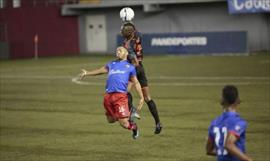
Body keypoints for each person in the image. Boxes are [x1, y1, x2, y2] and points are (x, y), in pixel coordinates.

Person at [79, 46, 144, 139]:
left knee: (124, 124)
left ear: (126, 53)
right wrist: (87, 73)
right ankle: (124, 115)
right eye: (117, 50)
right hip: (108, 96)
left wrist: (141, 97)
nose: (118, 51)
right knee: (110, 120)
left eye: (120, 50)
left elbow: (136, 82)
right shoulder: (111, 64)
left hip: (120, 96)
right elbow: (100, 71)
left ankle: (134, 127)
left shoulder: (130, 67)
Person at [121, 21, 162, 134]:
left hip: (133, 69)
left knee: (125, 93)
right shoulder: (137, 38)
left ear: (127, 33)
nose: (122, 32)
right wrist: (130, 22)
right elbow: (136, 31)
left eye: (123, 31)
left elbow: (132, 59)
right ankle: (158, 122)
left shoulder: (127, 44)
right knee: (148, 97)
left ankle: (132, 110)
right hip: (141, 69)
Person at [206, 85, 252, 161]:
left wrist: (221, 152)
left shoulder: (214, 123)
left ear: (222, 101)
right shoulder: (239, 122)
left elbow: (209, 150)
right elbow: (229, 145)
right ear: (238, 100)